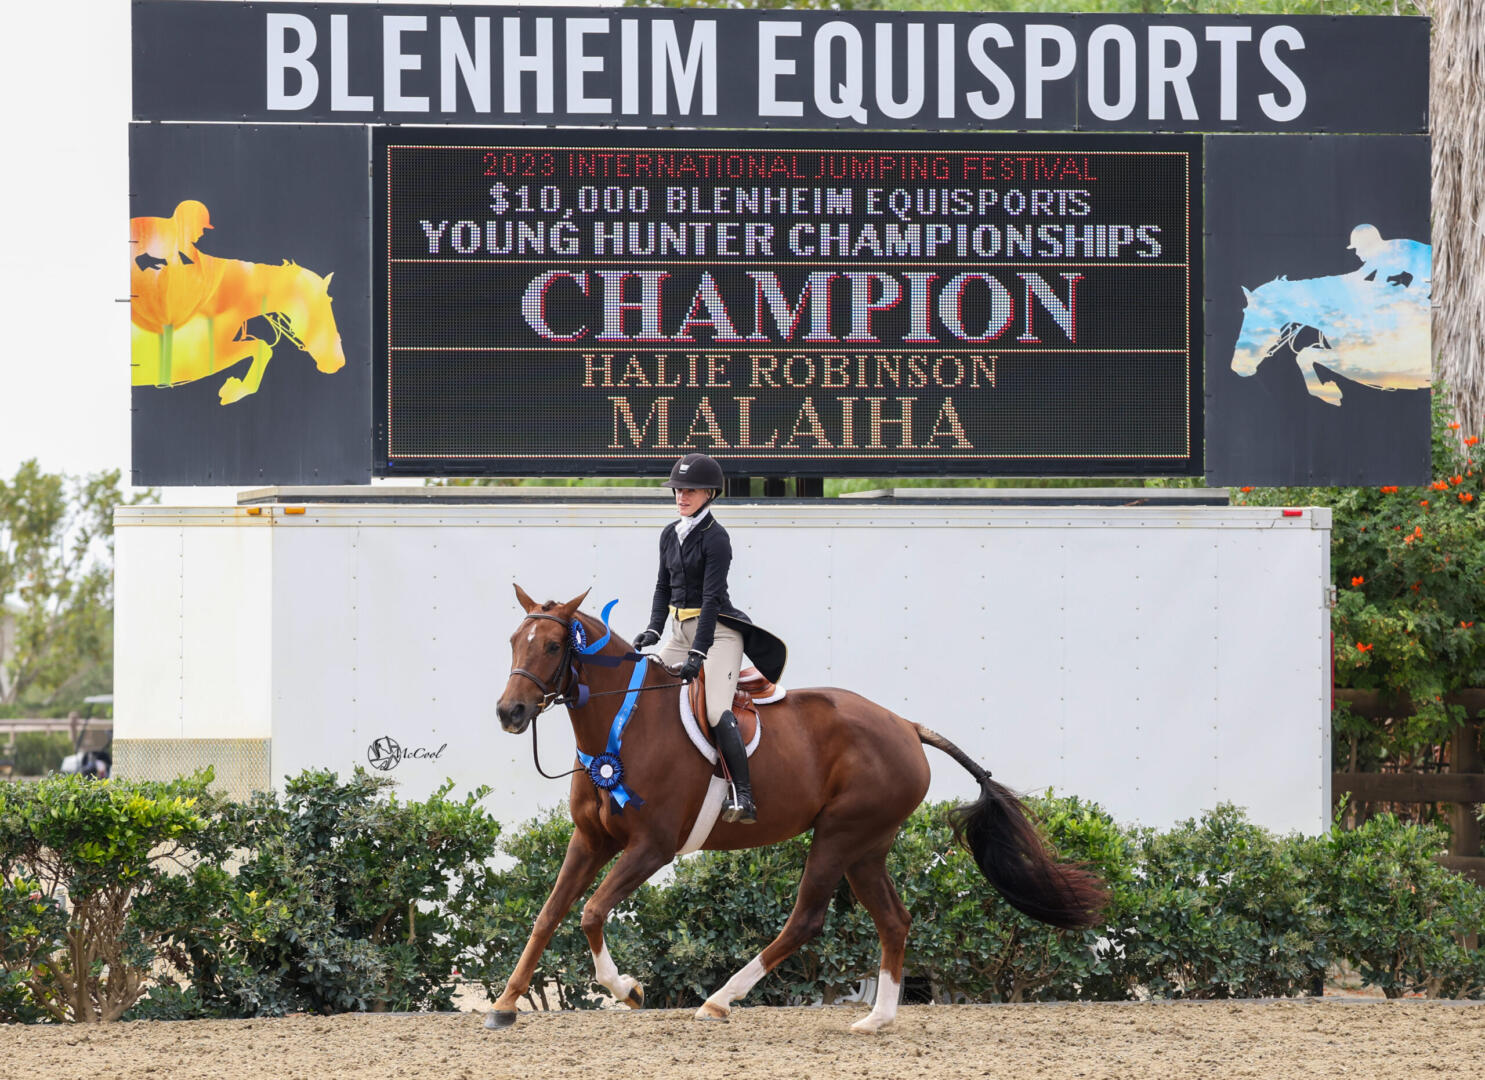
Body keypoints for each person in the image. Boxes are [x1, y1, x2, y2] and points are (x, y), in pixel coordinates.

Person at [632, 453, 786, 824]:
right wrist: (654, 629)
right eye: (677, 490)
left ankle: (743, 795)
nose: (681, 496)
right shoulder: (670, 533)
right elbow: (661, 587)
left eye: (689, 490)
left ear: (709, 493)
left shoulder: (716, 538)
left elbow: (711, 600)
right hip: (680, 631)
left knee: (717, 709)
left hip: (718, 634)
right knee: (640, 689)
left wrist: (698, 653)